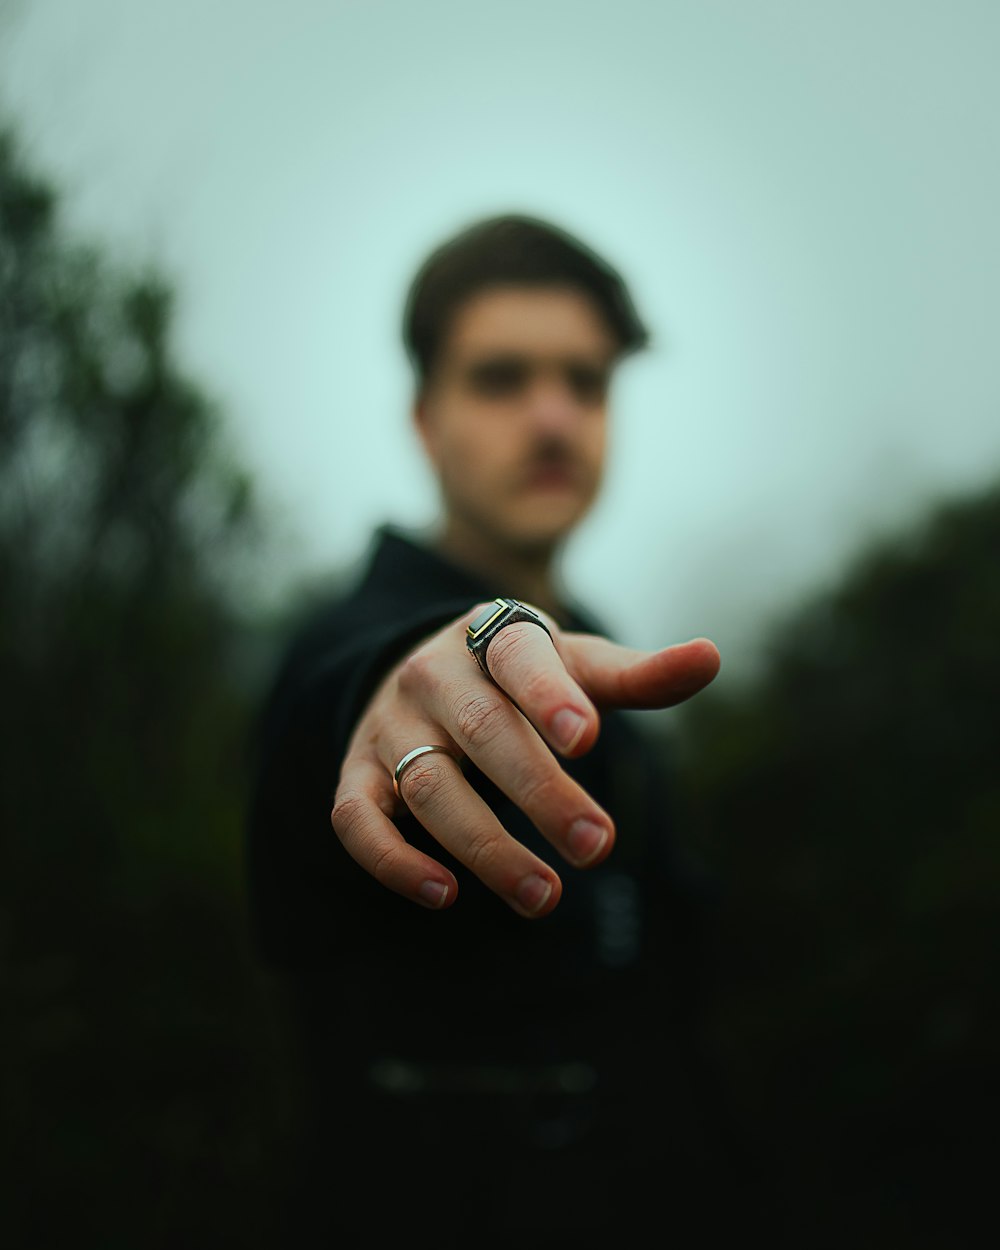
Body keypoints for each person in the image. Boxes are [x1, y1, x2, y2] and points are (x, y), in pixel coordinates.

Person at [246, 214, 754, 1246]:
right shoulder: (352, 643)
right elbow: (357, 691)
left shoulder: (606, 652)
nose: (554, 417)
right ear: (426, 417)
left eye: (585, 381)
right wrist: (383, 691)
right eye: (502, 378)